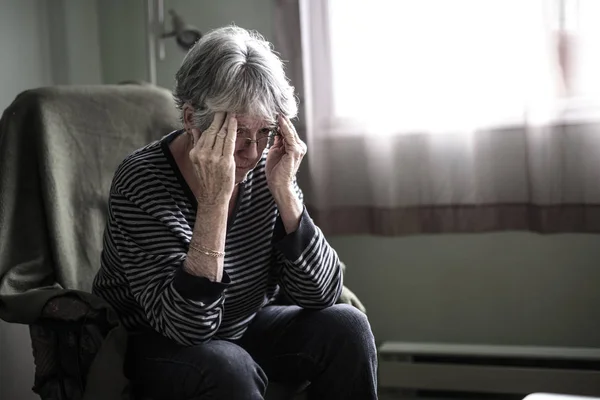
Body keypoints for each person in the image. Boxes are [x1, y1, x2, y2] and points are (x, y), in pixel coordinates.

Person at [92, 26, 377, 400]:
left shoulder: (267, 168)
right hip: (155, 343)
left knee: (347, 327)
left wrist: (286, 194)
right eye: (238, 133)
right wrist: (213, 202)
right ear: (192, 120)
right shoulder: (142, 180)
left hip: (245, 325)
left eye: (266, 132)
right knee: (229, 368)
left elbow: (322, 293)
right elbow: (187, 327)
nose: (253, 152)